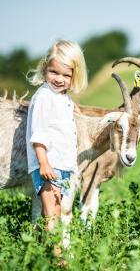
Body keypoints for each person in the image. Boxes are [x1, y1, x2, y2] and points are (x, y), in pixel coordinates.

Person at [26, 40, 88, 232]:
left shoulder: (61, 98)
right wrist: (43, 162)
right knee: (52, 212)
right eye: (54, 72)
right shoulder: (45, 97)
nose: (59, 79)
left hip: (60, 166)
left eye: (66, 75)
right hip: (49, 165)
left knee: (54, 211)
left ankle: (39, 249)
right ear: (45, 69)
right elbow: (39, 133)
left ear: (74, 76)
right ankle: (57, 257)